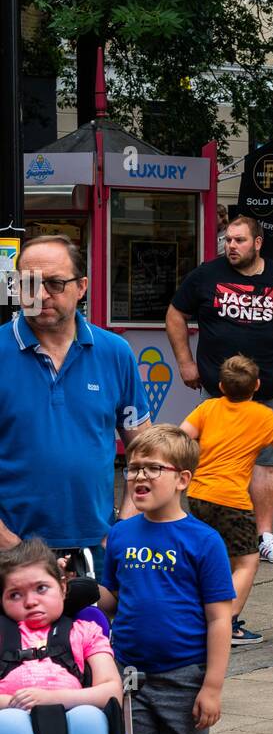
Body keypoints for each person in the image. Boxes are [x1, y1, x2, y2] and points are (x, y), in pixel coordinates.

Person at [98, 425, 234, 734]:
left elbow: (221, 616)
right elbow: (111, 600)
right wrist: (77, 589)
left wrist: (212, 686)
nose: (139, 475)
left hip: (185, 677)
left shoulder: (203, 539)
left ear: (183, 479)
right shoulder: (119, 535)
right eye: (133, 467)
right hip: (128, 678)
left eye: (153, 468)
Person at [166, 214, 273, 566]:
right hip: (217, 393)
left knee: (265, 464)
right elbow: (175, 313)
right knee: (210, 462)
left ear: (257, 243)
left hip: (266, 392)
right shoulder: (208, 275)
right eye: (227, 240)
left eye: (239, 240)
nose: (231, 246)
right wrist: (184, 362)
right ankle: (211, 537)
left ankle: (264, 536)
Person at [0, 236, 150, 577]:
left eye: (54, 283)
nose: (39, 296)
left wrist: (126, 524)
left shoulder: (114, 352)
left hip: (96, 548)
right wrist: (6, 542)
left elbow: (146, 449)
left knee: (97, 632)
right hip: (11, 552)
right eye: (28, 284)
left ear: (82, 286)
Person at [0, 539, 123, 734]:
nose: (30, 602)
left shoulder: (84, 631)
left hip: (76, 730)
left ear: (64, 587)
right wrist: (12, 701)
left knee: (89, 715)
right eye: (15, 594)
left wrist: (53, 698)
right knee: (9, 721)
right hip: (11, 729)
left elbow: (111, 690)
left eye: (41, 588)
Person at [181, 355, 273, 647]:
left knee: (207, 557)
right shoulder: (263, 417)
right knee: (246, 562)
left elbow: (182, 436)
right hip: (233, 500)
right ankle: (225, 625)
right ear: (257, 386)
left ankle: (194, 616)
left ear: (220, 385)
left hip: (198, 495)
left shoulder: (207, 408)